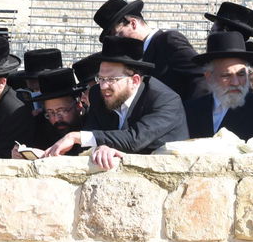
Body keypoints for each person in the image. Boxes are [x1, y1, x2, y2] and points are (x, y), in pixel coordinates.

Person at [41, 37, 189, 169]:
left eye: (112, 79)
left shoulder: (165, 100)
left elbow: (134, 139)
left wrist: (74, 137)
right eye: (101, 79)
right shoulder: (97, 94)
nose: (104, 86)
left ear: (134, 80)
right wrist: (47, 155)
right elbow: (92, 136)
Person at [184, 32, 253, 141]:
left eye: (241, 74)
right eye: (226, 75)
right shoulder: (189, 110)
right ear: (209, 77)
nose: (235, 82)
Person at [94, 0, 202, 101]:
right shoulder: (134, 57)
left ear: (133, 23)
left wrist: (189, 114)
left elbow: (199, 75)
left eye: (118, 34)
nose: (117, 41)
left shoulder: (167, 41)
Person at [26, 69, 88, 151]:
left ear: (78, 106)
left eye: (62, 111)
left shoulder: (94, 121)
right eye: (50, 112)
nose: (57, 119)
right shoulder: (40, 124)